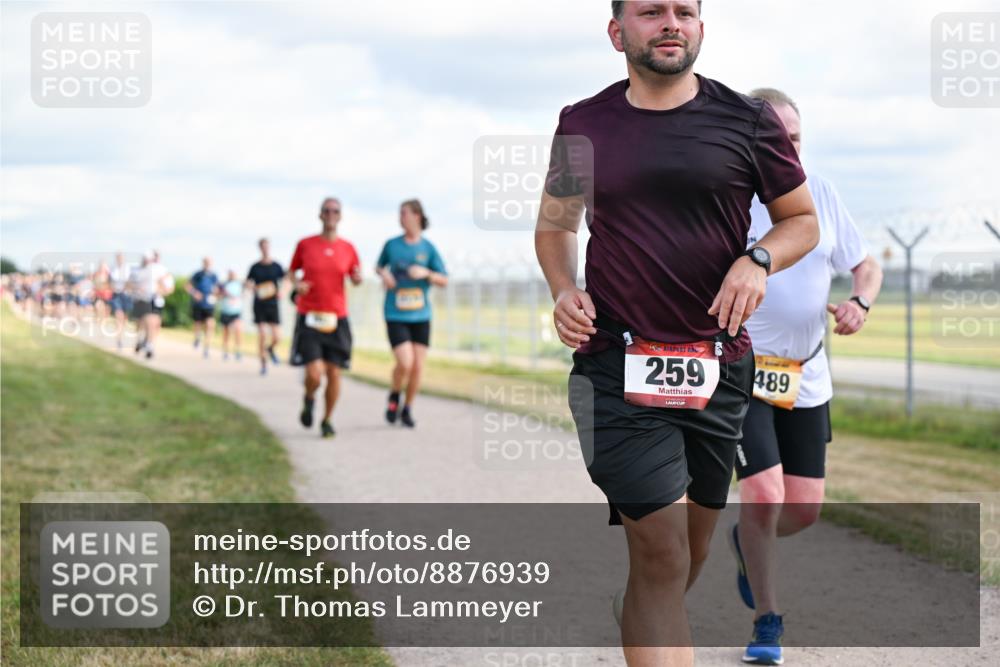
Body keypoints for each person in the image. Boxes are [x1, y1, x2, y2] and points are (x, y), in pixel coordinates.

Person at [534, 3, 819, 665]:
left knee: (684, 554)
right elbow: (556, 226)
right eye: (650, 11)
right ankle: (648, 600)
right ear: (617, 32)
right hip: (615, 364)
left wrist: (759, 259)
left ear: (699, 28)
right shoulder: (582, 124)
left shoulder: (750, 122)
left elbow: (800, 220)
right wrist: (563, 287)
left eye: (684, 11)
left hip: (718, 367)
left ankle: (639, 605)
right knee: (660, 547)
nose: (670, 22)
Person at [728, 88, 884, 666]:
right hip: (743, 370)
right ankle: (767, 621)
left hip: (806, 372)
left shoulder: (819, 192)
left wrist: (860, 303)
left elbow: (865, 264)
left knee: (803, 509)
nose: (786, 148)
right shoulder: (728, 199)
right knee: (764, 496)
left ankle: (745, 541)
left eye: (794, 138)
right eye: (775, 137)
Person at [289, 197, 363, 438]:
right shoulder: (305, 245)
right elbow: (291, 273)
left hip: (337, 318)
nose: (331, 215)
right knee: (314, 373)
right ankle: (309, 397)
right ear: (320, 215)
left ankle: (327, 419)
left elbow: (355, 276)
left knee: (334, 373)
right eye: (327, 211)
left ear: (340, 217)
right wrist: (298, 284)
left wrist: (358, 278)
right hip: (310, 315)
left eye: (335, 211)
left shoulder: (348, 248)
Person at [375, 199, 448, 427]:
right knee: (405, 363)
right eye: (399, 214)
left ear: (417, 216)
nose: (400, 218)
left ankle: (407, 408)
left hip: (421, 316)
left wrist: (426, 273)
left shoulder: (428, 248)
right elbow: (378, 266)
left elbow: (443, 279)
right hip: (395, 314)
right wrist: (384, 275)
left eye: (404, 213)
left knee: (417, 366)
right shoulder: (391, 245)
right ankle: (395, 394)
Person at [247, 238, 286, 375]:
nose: (265, 248)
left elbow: (286, 280)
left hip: (273, 304)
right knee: (262, 334)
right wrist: (251, 287)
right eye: (263, 246)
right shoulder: (255, 267)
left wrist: (283, 291)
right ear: (260, 248)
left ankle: (270, 349)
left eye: (267, 246)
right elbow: (248, 282)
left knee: (277, 337)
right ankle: (263, 364)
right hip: (259, 304)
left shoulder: (277, 266)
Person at [132, 250, 174, 359]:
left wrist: (161, 290)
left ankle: (149, 344)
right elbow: (132, 284)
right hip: (142, 300)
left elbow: (168, 286)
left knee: (154, 323)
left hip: (155, 301)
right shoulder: (139, 270)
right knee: (143, 323)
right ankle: (142, 340)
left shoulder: (160, 270)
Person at [187, 257, 219, 359]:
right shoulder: (198, 274)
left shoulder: (214, 276)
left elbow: (217, 288)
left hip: (209, 304)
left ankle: (207, 347)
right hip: (198, 304)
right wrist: (194, 293)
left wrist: (216, 293)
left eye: (209, 263)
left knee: (210, 324)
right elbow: (188, 286)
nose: (207, 264)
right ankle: (197, 337)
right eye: (206, 262)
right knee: (198, 323)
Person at [108, 252, 134, 350]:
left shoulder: (128, 269)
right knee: (119, 316)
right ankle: (119, 339)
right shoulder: (113, 269)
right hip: (116, 295)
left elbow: (131, 282)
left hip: (126, 295)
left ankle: (121, 334)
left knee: (124, 318)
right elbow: (110, 282)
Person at [218, 269, 245, 361]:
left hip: (236, 311)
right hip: (226, 310)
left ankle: (238, 350)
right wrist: (223, 294)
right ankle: (225, 350)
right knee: (226, 332)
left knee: (238, 330)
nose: (232, 276)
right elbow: (218, 294)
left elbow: (243, 293)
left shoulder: (239, 284)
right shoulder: (223, 284)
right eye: (230, 274)